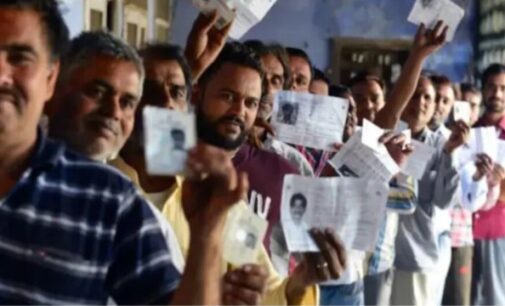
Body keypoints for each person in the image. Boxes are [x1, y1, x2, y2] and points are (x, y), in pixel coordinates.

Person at [0, 1, 238, 304]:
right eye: (97, 92)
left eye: (20, 58)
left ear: (50, 79)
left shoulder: (111, 201)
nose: (2, 74)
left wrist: (206, 235)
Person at [391, 75, 469, 306]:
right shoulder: (387, 137)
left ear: (435, 106)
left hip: (415, 256)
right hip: (380, 256)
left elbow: (444, 201)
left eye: (427, 97)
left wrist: (450, 154)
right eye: (414, 95)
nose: (420, 102)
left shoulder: (440, 146)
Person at [244, 40, 314, 177]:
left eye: (276, 81)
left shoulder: (293, 163)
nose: (268, 89)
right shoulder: (210, 143)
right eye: (260, 77)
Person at [471, 63, 505, 306]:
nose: (497, 94)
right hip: (465, 230)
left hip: (499, 228)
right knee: (465, 298)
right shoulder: (471, 131)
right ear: (483, 90)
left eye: (504, 88)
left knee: (496, 298)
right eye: (492, 87)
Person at [429, 74, 457, 139]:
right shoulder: (403, 130)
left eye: (445, 101)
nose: (439, 105)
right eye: (436, 98)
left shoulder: (452, 140)